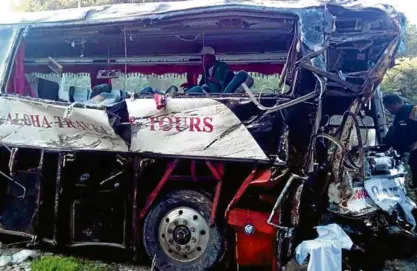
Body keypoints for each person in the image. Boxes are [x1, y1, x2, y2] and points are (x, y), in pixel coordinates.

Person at [378, 93, 417, 187]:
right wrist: (381, 147)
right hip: (408, 154)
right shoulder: (397, 118)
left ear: (396, 103)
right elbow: (393, 134)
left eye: (389, 107)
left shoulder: (413, 110)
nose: (388, 110)